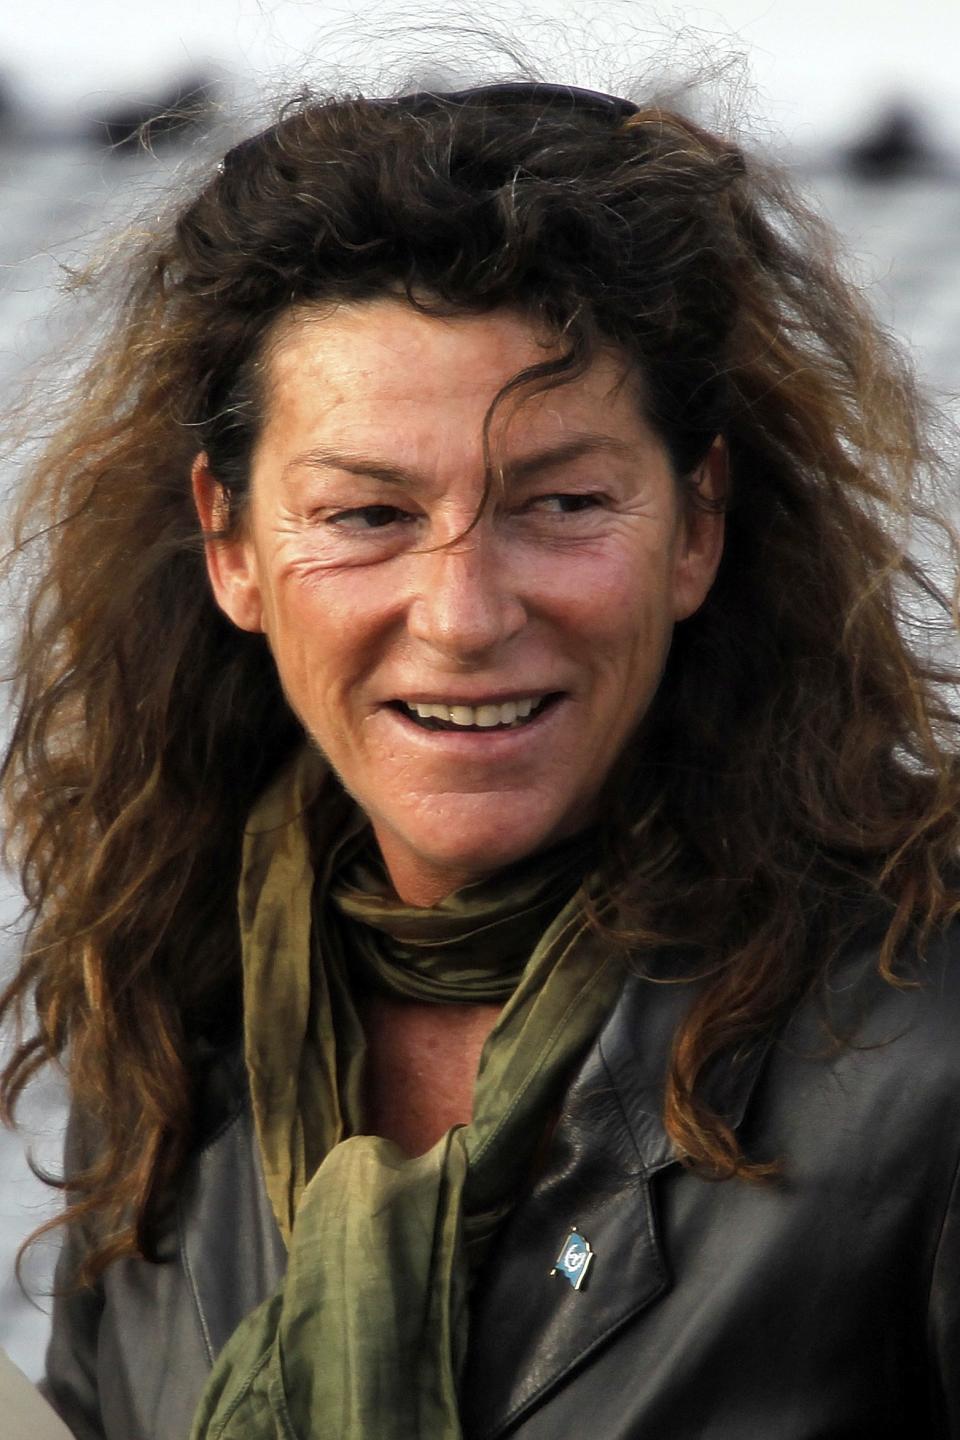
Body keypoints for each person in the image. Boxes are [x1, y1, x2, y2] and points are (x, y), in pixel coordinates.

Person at [2, 78, 960, 1440]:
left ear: (697, 525)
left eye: (563, 504)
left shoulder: (927, 1050)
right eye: (369, 513)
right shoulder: (169, 1019)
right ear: (231, 547)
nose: (462, 616)